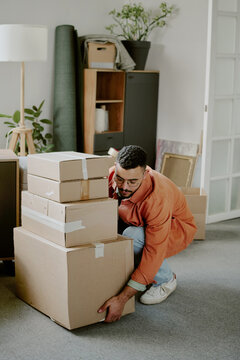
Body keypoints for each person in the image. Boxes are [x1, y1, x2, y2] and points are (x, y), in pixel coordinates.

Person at [98, 145, 197, 322]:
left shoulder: (157, 198)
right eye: (120, 179)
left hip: (175, 229)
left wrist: (122, 299)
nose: (124, 187)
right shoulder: (113, 174)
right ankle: (142, 271)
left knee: (132, 237)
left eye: (132, 182)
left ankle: (166, 279)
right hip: (137, 220)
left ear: (145, 175)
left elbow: (154, 251)